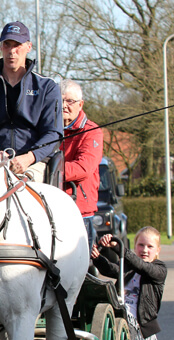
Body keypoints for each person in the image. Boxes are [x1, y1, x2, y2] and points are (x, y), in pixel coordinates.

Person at [0, 21, 62, 181]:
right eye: (7, 44)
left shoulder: (47, 87)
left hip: (33, 164)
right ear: (1, 47)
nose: (12, 51)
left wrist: (29, 158)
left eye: (17, 45)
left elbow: (53, 133)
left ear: (29, 47)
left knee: (22, 193)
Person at [91, 226, 167, 340]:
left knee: (116, 336)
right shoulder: (128, 265)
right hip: (117, 308)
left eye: (150, 246)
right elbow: (111, 270)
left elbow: (142, 267)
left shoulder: (160, 269)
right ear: (135, 246)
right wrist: (97, 258)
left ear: (158, 250)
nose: (145, 250)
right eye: (141, 245)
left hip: (134, 318)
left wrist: (118, 247)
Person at [60, 79, 103, 250]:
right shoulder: (48, 130)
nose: (64, 105)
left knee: (81, 270)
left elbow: (83, 168)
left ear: (80, 104)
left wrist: (47, 169)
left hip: (80, 212)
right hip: (50, 207)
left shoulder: (92, 131)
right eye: (60, 100)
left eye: (70, 101)